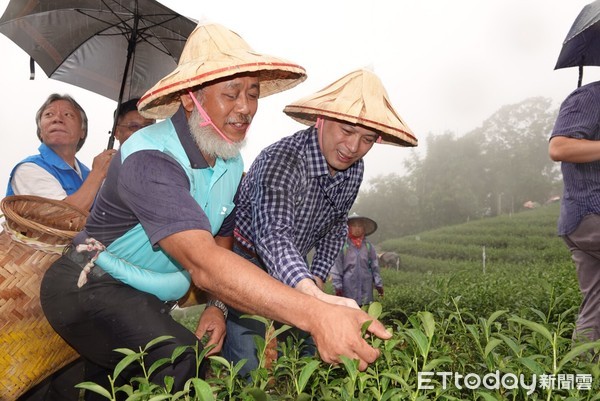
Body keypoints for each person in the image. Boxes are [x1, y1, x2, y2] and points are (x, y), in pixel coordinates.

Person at [39, 23, 391, 400]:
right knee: (178, 357)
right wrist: (315, 313)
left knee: (100, 387)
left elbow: (223, 237)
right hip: (90, 285)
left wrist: (218, 309)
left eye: (252, 94)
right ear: (191, 98)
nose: (245, 108)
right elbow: (204, 261)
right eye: (231, 94)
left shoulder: (229, 162)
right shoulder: (151, 157)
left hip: (144, 298)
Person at [222, 68, 417, 377]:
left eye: (367, 139)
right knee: (248, 356)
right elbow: (273, 236)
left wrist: (317, 277)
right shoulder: (281, 161)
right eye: (346, 131)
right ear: (322, 119)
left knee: (306, 354)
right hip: (250, 261)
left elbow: (336, 223)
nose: (353, 148)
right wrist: (312, 297)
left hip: (295, 264)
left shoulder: (354, 169)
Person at [549, 80, 600, 342]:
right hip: (592, 214)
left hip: (583, 220)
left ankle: (583, 377)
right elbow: (559, 148)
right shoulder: (590, 96)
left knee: (595, 307)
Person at [6, 93, 116, 211]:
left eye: (68, 115)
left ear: (82, 132)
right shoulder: (29, 169)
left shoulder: (87, 174)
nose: (57, 119)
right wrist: (98, 173)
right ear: (41, 132)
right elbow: (62, 216)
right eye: (49, 114)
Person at [331, 213, 383, 307]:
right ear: (348, 227)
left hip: (366, 289)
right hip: (348, 289)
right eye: (354, 226)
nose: (357, 228)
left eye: (360, 226)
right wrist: (338, 287)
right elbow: (337, 268)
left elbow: (375, 267)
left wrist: (378, 284)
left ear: (363, 228)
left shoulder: (368, 246)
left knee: (365, 315)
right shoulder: (343, 246)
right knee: (350, 314)